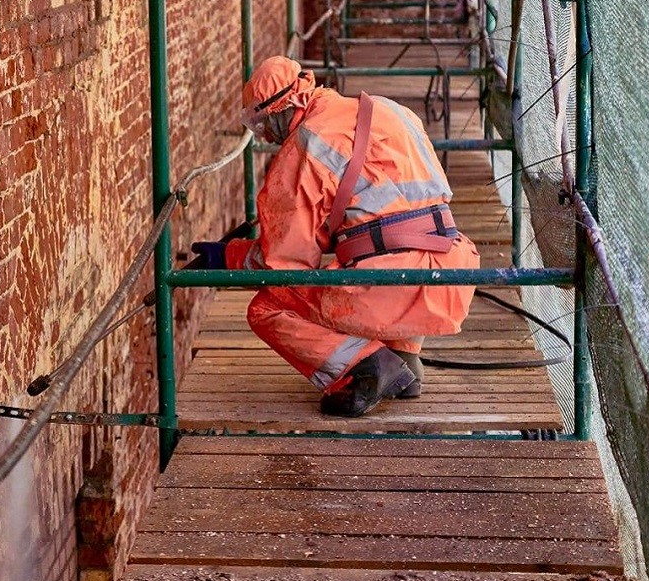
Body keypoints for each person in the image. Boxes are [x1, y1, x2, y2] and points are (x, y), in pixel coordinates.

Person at [192, 56, 480, 418]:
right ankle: (404, 360)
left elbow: (283, 264)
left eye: (262, 123)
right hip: (449, 273)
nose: (265, 135)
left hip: (389, 284)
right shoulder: (389, 110)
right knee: (383, 249)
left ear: (284, 108)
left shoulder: (306, 145)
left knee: (267, 307)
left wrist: (226, 258)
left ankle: (369, 367)